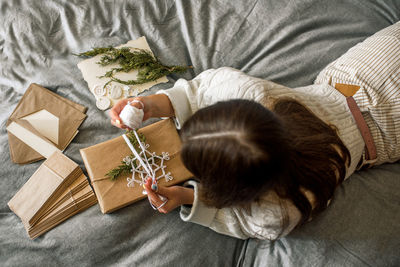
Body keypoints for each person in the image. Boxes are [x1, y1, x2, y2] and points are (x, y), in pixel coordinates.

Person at [110, 22, 400, 240]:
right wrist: (149, 105)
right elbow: (200, 91)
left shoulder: (280, 210)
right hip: (361, 72)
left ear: (238, 191)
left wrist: (189, 197)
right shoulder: (248, 91)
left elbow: (244, 222)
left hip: (386, 128)